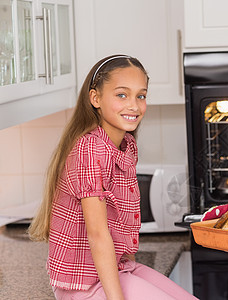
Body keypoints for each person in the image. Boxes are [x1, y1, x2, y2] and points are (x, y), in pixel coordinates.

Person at [28, 55, 198, 300]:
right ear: (95, 98)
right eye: (122, 95)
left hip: (115, 269)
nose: (134, 105)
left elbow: (120, 221)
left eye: (141, 95)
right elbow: (98, 235)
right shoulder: (91, 149)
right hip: (84, 283)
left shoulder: (125, 145)